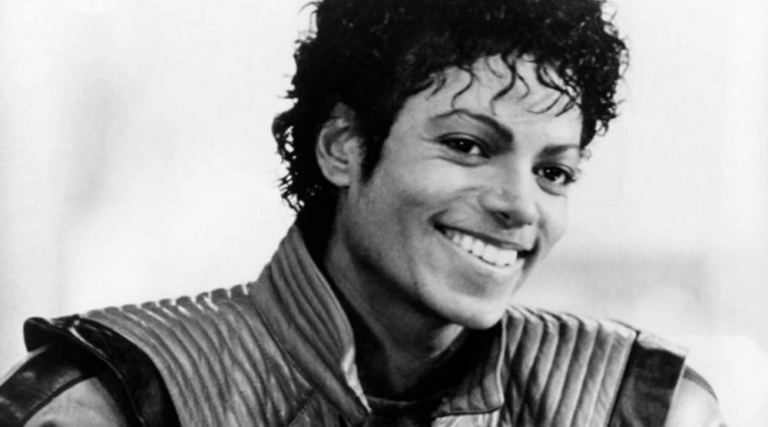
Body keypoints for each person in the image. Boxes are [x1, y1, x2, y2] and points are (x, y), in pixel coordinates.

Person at [0, 0, 725, 425]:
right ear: (343, 146)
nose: (518, 204)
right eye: (467, 146)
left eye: (553, 172)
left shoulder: (642, 406)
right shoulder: (114, 400)